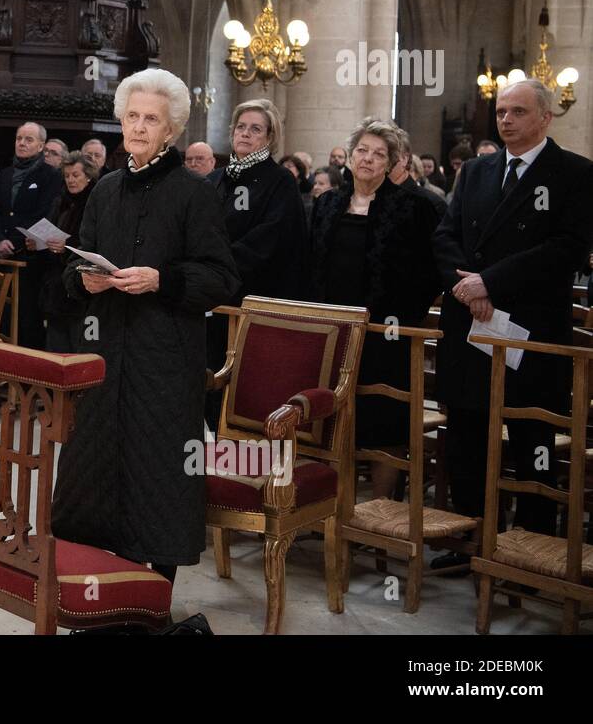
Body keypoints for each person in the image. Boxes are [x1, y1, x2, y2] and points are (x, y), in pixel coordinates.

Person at [52, 67, 239, 583]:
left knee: (155, 484)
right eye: (131, 117)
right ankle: (94, 596)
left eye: (150, 119)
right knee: (92, 479)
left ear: (172, 129)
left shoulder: (194, 192)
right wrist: (84, 281)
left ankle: (149, 604)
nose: (137, 127)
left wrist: (162, 279)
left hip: (164, 363)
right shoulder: (106, 189)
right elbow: (71, 269)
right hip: (104, 357)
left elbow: (221, 278)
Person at [433, 79, 593, 551]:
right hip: (472, 325)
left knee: (532, 440)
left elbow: (565, 249)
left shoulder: (574, 174)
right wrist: (470, 289)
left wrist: (492, 282)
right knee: (468, 437)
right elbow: (445, 235)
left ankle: (531, 547)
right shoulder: (477, 171)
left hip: (532, 331)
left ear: (545, 117)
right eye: (501, 111)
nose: (505, 119)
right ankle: (469, 538)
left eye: (518, 111)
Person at [309, 118, 440, 497]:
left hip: (386, 333)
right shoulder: (328, 203)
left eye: (378, 154)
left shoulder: (411, 207)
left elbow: (429, 273)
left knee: (383, 419)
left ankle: (380, 511)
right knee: (332, 418)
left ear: (392, 162)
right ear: (349, 157)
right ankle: (332, 507)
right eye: (361, 150)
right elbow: (311, 263)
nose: (367, 159)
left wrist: (401, 316)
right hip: (333, 330)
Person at [204, 98, 309, 431]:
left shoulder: (280, 181)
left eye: (255, 129)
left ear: (269, 138)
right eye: (241, 126)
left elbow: (269, 239)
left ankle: (250, 471)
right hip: (214, 300)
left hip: (254, 303)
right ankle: (216, 466)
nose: (245, 134)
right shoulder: (215, 179)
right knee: (210, 384)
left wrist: (217, 264)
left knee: (247, 390)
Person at [0, 121, 64, 349]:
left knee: (27, 319)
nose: (22, 143)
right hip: (0, 256)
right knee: (1, 318)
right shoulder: (3, 174)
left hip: (30, 259)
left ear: (41, 145)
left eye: (28, 139)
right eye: (19, 138)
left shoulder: (50, 175)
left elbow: (45, 213)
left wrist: (14, 242)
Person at [33, 152, 98, 353]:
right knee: (55, 346)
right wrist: (37, 241)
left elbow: (96, 241)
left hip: (81, 285)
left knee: (80, 347)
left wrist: (67, 245)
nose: (70, 180)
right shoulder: (60, 201)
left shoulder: (96, 202)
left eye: (76, 175)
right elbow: (50, 229)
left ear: (88, 176)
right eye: (67, 175)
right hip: (56, 283)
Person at [387, 127, 447, 221]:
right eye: (362, 150)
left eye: (383, 154)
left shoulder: (431, 204)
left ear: (404, 158)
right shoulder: (367, 198)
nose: (370, 159)